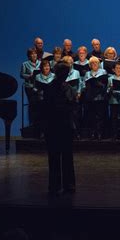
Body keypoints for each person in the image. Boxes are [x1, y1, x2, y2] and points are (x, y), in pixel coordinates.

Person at [41, 62, 77, 196]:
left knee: (59, 157)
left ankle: (60, 185)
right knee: (62, 157)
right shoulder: (59, 88)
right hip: (59, 126)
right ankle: (64, 185)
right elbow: (72, 106)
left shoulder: (52, 88)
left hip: (59, 126)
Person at [82, 56, 108, 140]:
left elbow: (106, 83)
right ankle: (93, 132)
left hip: (100, 97)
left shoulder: (103, 72)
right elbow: (84, 85)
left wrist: (99, 84)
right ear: (90, 65)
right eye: (92, 63)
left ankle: (100, 132)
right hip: (91, 98)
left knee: (100, 116)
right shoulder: (87, 74)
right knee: (92, 116)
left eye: (96, 63)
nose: (94, 64)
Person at [62, 56, 83, 140]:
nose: (70, 64)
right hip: (65, 97)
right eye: (68, 63)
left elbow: (80, 84)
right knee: (66, 116)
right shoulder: (62, 73)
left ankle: (77, 133)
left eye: (71, 62)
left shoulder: (76, 72)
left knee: (75, 116)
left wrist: (79, 92)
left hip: (74, 96)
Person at [33, 59, 55, 138]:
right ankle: (42, 132)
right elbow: (34, 88)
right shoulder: (38, 76)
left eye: (48, 66)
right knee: (42, 117)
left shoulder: (53, 76)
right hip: (41, 99)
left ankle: (52, 132)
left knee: (52, 117)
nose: (47, 67)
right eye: (45, 66)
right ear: (42, 67)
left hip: (51, 99)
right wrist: (38, 91)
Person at [20, 48, 41, 126]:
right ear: (29, 56)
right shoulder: (25, 64)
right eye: (32, 54)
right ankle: (32, 123)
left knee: (39, 105)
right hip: (30, 86)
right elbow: (22, 74)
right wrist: (29, 76)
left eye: (35, 53)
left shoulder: (40, 63)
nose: (34, 55)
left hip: (39, 86)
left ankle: (39, 123)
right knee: (32, 104)